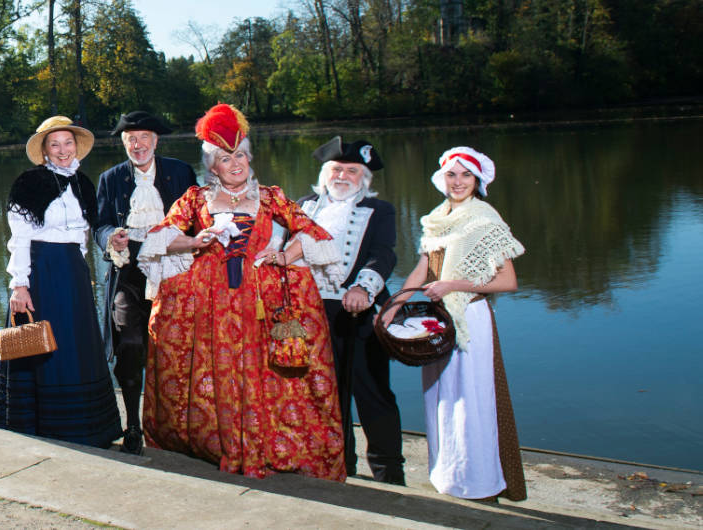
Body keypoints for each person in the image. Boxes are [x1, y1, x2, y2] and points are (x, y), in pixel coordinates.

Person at [137, 103, 346, 481]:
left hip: (260, 302)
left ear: (249, 158)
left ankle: (264, 448)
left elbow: (313, 232)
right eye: (225, 158)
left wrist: (284, 256)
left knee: (265, 372)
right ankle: (223, 445)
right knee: (215, 372)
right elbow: (159, 239)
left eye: (240, 156)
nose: (235, 164)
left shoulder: (270, 196)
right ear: (212, 166)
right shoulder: (195, 199)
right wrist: (196, 241)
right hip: (210, 302)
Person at [385, 146, 527, 501]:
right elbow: (424, 268)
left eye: (466, 175)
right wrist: (394, 305)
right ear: (441, 179)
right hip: (439, 319)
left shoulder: (484, 219)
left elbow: (508, 282)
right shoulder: (437, 217)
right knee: (442, 397)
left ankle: (480, 483)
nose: (458, 181)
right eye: (452, 174)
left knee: (472, 399)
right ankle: (450, 476)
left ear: (478, 181)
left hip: (469, 318)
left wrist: (454, 285)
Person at [0, 115, 122, 449]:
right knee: (37, 344)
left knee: (75, 345)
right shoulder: (29, 183)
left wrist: (84, 271)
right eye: (55, 144)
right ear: (45, 150)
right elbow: (19, 238)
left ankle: (83, 427)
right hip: (41, 270)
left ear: (76, 146)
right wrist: (19, 285)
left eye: (68, 143)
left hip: (72, 273)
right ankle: (34, 422)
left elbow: (82, 235)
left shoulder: (83, 184)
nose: (63, 150)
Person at [299, 137, 405, 485]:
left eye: (352, 171)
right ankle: (339, 467)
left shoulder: (380, 211)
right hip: (312, 314)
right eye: (337, 169)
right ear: (324, 173)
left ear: (364, 178)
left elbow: (384, 254)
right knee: (325, 394)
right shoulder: (303, 207)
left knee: (373, 393)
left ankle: (389, 474)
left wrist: (363, 287)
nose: (343, 176)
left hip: (358, 312)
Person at [94, 111, 197, 454]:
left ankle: (174, 428)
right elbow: (101, 225)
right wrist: (112, 238)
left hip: (174, 268)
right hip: (129, 271)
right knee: (130, 344)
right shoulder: (110, 178)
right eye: (130, 140)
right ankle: (133, 426)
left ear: (156, 141)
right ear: (124, 144)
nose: (137, 146)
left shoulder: (181, 171)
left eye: (143, 139)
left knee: (174, 351)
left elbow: (198, 219)